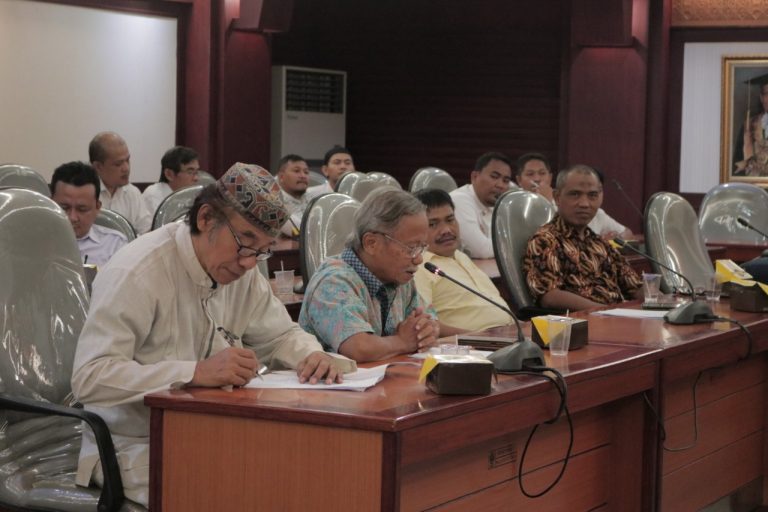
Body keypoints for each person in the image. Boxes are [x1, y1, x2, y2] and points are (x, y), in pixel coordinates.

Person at [71, 163, 354, 506]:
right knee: (232, 492)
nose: (251, 262)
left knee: (295, 473)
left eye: (262, 249)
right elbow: (90, 377)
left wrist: (312, 355)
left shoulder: (241, 269)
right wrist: (193, 373)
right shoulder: (139, 270)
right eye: (245, 242)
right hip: (131, 444)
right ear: (205, 219)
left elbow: (279, 335)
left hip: (212, 432)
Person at [299, 188, 440, 362]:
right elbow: (358, 348)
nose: (418, 259)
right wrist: (403, 341)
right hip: (330, 386)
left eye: (422, 247)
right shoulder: (333, 281)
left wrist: (428, 330)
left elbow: (428, 320)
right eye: (411, 248)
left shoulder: (400, 277)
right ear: (371, 243)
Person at [522, 164, 643, 311]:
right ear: (557, 197)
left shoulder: (600, 243)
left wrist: (663, 302)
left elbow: (634, 286)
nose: (585, 204)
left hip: (617, 319)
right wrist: (608, 312)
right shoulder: (545, 240)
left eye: (592, 195)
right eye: (575, 194)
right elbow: (550, 297)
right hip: (582, 326)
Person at [413, 189, 514, 333]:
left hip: (508, 334)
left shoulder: (461, 257)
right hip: (473, 347)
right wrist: (482, 338)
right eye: (433, 224)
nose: (446, 230)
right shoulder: (420, 267)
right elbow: (425, 324)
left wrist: (522, 327)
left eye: (450, 220)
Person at [515, 152, 633, 240]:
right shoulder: (516, 210)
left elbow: (628, 234)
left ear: (550, 177)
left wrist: (616, 238)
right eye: (575, 194)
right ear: (519, 180)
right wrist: (548, 201)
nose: (537, 179)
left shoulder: (596, 213)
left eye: (542, 173)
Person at [50, 161, 127, 267]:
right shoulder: (33, 241)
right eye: (64, 208)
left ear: (97, 208)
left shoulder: (115, 245)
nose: (72, 217)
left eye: (82, 209)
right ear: (50, 204)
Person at [449, 151, 513, 259]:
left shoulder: (497, 205)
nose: (500, 185)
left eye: (505, 181)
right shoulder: (459, 200)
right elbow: (482, 251)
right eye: (494, 177)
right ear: (475, 176)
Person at [89, 132, 152, 234]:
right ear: (98, 167)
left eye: (128, 160)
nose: (126, 168)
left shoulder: (132, 192)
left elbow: (147, 231)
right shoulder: (85, 194)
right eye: (118, 164)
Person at [141, 145, 200, 214]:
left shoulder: (192, 196)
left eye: (197, 172)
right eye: (190, 172)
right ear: (169, 174)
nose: (196, 178)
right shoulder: (153, 196)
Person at [735, 81, 768, 176]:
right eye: (767, 94)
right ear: (761, 98)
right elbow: (738, 162)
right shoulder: (748, 125)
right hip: (753, 187)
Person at [275, 154, 310, 237]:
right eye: (296, 171)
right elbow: (303, 233)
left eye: (306, 172)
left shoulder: (312, 199)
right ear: (281, 177)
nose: (303, 176)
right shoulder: (273, 203)